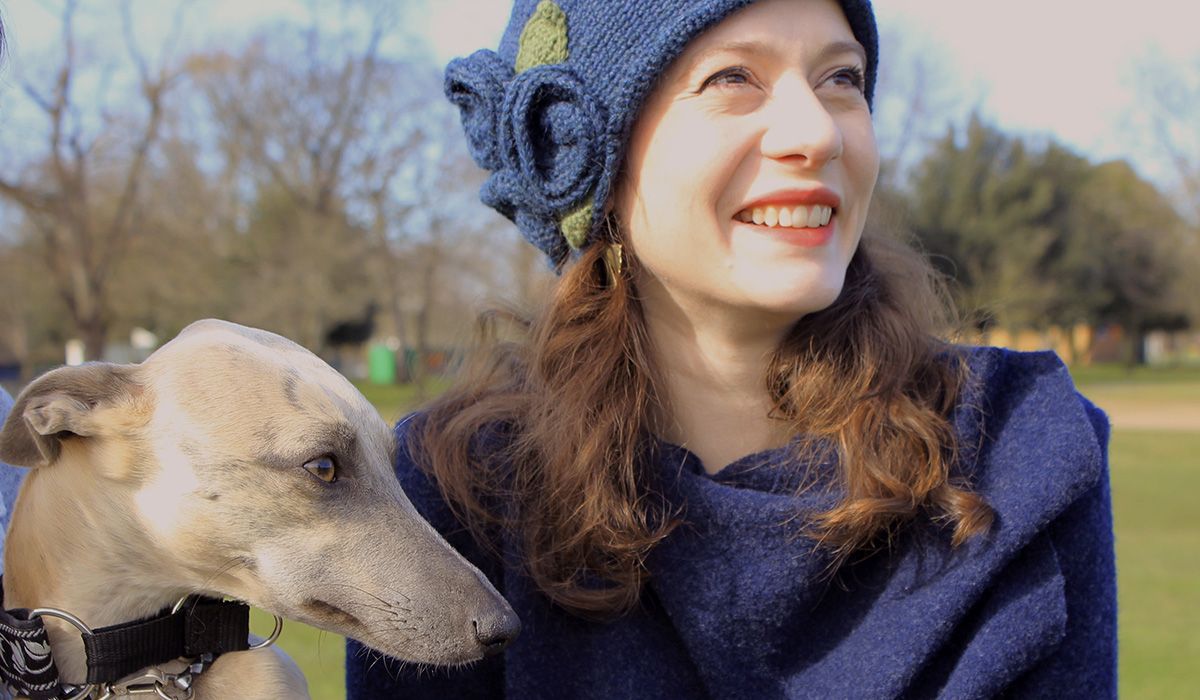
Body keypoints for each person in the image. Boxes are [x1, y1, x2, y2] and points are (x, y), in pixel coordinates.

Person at [346, 0, 1116, 697]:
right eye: (733, 78)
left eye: (841, 77)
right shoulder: (460, 493)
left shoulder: (1019, 452)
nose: (816, 131)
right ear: (585, 155)